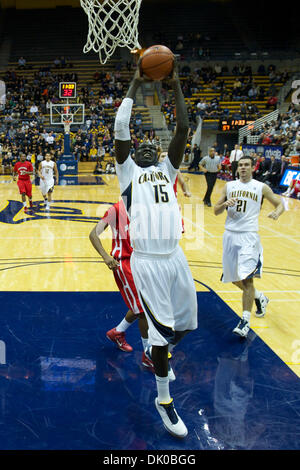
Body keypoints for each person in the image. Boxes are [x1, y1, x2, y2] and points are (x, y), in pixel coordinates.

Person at [113, 60, 197, 438]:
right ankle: (164, 399)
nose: (145, 144)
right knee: (163, 336)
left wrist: (175, 82)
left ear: (159, 152)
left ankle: (155, 350)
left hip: (176, 259)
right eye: (140, 144)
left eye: (152, 143)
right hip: (147, 261)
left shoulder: (168, 170)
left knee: (185, 328)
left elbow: (182, 126)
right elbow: (120, 127)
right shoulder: (128, 171)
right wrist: (134, 81)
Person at [214, 156, 284, 338]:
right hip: (229, 236)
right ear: (237, 169)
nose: (243, 168)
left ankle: (245, 320)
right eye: (241, 165)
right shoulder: (229, 186)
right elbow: (215, 210)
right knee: (232, 278)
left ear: (253, 168)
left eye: (247, 165)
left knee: (247, 280)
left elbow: (280, 204)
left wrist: (276, 212)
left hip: (248, 237)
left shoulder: (261, 187)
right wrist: (223, 204)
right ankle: (260, 297)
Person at [89, 200, 152, 366]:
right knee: (143, 310)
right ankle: (148, 354)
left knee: (143, 303)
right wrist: (105, 256)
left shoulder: (145, 207)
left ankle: (118, 332)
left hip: (141, 261)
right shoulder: (116, 209)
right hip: (124, 264)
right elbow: (93, 234)